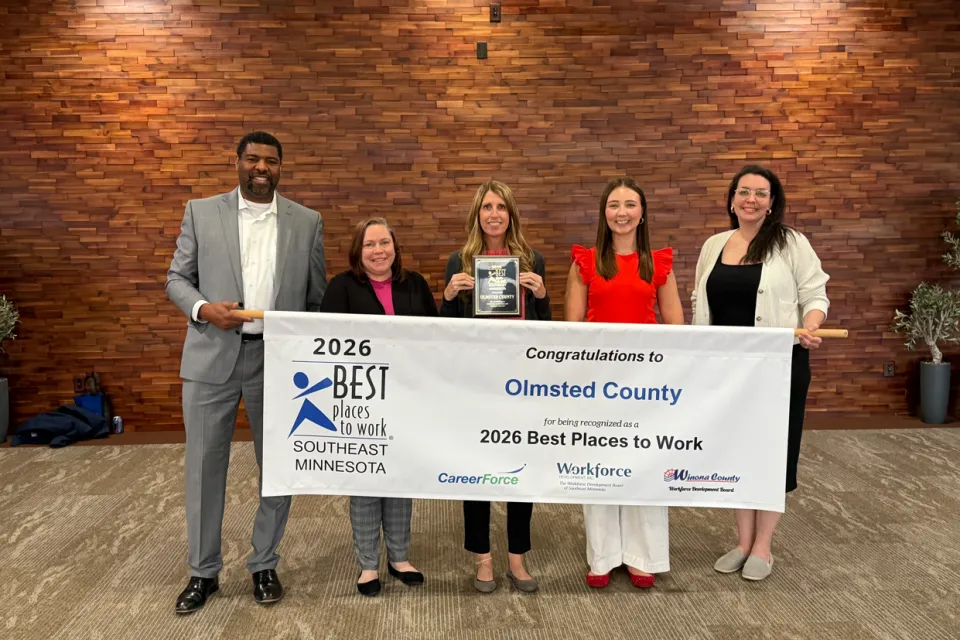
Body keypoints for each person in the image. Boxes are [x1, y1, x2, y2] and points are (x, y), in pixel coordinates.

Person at [166, 131, 327, 613]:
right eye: (253, 159)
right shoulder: (200, 211)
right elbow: (177, 278)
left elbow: (315, 299)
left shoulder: (307, 222)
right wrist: (203, 310)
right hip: (210, 356)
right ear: (237, 162)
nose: (261, 167)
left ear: (280, 168)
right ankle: (203, 572)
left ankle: (264, 563)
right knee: (203, 468)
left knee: (278, 469)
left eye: (271, 161)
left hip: (278, 364)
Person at [691, 164, 829, 581]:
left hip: (779, 365)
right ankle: (742, 542)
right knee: (737, 452)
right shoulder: (714, 245)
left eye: (761, 193)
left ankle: (763, 547)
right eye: (744, 191)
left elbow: (815, 293)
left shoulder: (791, 243)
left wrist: (812, 325)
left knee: (772, 452)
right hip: (728, 370)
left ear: (772, 203)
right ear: (732, 200)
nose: (751, 199)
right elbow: (700, 301)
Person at [564, 177, 684, 589]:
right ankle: (602, 556)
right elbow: (573, 328)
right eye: (614, 205)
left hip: (646, 383)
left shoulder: (658, 263)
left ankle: (642, 556)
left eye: (630, 204)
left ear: (642, 213)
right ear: (604, 213)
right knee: (598, 465)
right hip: (596, 383)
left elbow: (676, 326)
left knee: (642, 466)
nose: (622, 212)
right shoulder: (585, 262)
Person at [440, 179, 550, 593]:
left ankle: (517, 559)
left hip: (521, 382)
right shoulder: (460, 261)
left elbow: (546, 329)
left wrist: (541, 295)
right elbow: (445, 332)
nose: (494, 214)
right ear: (477, 214)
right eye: (487, 207)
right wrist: (448, 295)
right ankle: (483, 558)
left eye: (501, 207)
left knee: (522, 469)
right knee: (478, 471)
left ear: (511, 214)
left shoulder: (532, 259)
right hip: (477, 383)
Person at [319, 217, 437, 597]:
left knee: (400, 478)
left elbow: (434, 336)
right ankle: (368, 564)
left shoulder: (415, 284)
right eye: (369, 244)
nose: (378, 251)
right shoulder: (341, 287)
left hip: (407, 396)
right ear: (358, 251)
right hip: (361, 401)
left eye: (384, 243)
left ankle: (400, 558)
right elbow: (327, 343)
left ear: (395, 248)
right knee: (367, 480)